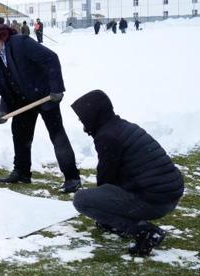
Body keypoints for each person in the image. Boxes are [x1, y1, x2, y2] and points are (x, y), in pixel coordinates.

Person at [71, 90, 184, 256]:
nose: (83, 124)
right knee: (102, 197)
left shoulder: (107, 136)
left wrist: (103, 212)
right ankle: (125, 225)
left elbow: (106, 180)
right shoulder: (120, 127)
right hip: (169, 193)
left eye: (84, 118)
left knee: (82, 200)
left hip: (155, 200)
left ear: (94, 114)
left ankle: (144, 232)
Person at [0, 21, 81, 193]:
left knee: (57, 136)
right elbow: (5, 85)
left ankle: (72, 177)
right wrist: (4, 110)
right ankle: (22, 172)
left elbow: (51, 58)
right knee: (20, 135)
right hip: (22, 101)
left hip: (45, 96)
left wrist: (56, 89)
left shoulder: (21, 43)